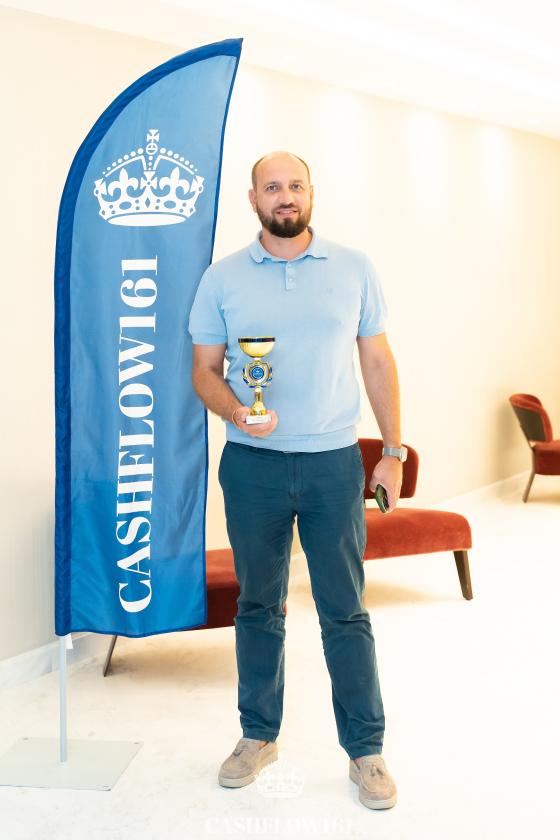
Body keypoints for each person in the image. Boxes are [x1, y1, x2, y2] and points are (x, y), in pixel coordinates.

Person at [188, 151, 404, 810]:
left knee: (346, 610)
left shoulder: (354, 268)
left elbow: (377, 361)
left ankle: (366, 750)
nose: (286, 196)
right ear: (253, 199)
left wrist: (392, 450)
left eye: (296, 185)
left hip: (333, 463)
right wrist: (238, 413)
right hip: (251, 466)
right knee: (258, 605)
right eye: (272, 187)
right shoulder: (222, 278)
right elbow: (205, 371)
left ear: (311, 193)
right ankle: (258, 736)